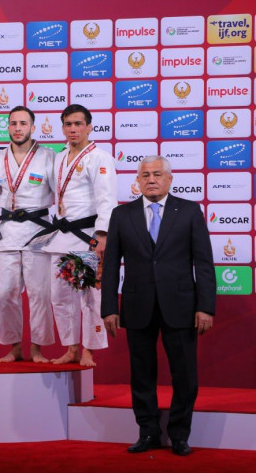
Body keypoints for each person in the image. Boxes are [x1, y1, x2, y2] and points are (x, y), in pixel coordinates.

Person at [101, 155, 216, 456]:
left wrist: (206, 307)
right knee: (141, 375)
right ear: (137, 181)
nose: (151, 179)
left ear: (169, 179)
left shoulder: (189, 211)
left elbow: (204, 263)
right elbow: (110, 265)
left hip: (181, 306)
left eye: (157, 174)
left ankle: (179, 435)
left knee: (185, 375)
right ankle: (148, 432)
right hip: (137, 306)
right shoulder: (121, 215)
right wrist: (109, 307)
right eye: (145, 175)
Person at [42, 104, 117, 367]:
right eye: (68, 124)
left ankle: (89, 351)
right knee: (60, 296)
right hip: (61, 234)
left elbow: (107, 199)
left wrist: (102, 235)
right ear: (62, 128)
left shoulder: (100, 158)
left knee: (90, 296)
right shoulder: (59, 157)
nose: (73, 129)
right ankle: (71, 347)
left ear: (89, 127)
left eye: (78, 124)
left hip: (87, 236)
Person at [0, 106, 56, 363]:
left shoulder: (48, 157)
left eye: (23, 123)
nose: (18, 128)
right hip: (8, 232)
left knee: (39, 294)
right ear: (8, 127)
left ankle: (37, 348)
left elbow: (59, 192)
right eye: (14, 123)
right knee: (6, 294)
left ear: (33, 127)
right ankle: (15, 347)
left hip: (38, 231)